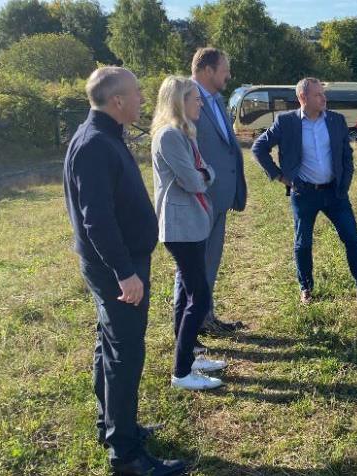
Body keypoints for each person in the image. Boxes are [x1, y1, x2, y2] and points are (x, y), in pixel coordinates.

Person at [63, 67, 187, 475]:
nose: (141, 99)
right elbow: (96, 219)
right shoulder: (95, 144)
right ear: (117, 101)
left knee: (110, 344)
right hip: (118, 268)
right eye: (136, 93)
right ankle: (127, 455)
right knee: (125, 354)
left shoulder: (104, 136)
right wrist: (124, 273)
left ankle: (113, 426)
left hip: (121, 263)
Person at [251, 77, 357, 303]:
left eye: (323, 93)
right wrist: (280, 176)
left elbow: (346, 155)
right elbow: (258, 148)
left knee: (352, 238)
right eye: (318, 95)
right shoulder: (286, 122)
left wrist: (344, 182)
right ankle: (305, 288)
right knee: (303, 242)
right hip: (304, 193)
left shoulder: (336, 120)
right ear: (302, 97)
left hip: (335, 193)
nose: (323, 98)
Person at [151, 76, 228, 391]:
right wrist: (205, 174)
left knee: (187, 291)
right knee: (200, 294)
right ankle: (182, 372)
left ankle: (190, 353)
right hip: (180, 227)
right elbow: (196, 180)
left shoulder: (185, 134)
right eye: (195, 99)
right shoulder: (169, 136)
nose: (200, 103)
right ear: (179, 101)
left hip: (192, 223)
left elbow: (205, 171)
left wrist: (204, 174)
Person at [189, 47, 248, 336]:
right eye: (225, 69)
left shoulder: (216, 99)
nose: (229, 75)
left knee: (210, 262)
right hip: (198, 197)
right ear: (208, 70)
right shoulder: (186, 99)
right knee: (193, 266)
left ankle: (205, 317)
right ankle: (189, 327)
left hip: (218, 197)